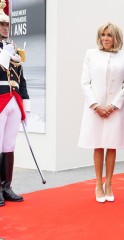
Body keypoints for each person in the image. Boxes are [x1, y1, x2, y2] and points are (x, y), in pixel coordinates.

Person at [78, 22, 124, 203]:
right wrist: (95, 105)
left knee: (112, 145)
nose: (106, 38)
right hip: (95, 109)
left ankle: (109, 183)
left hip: (114, 110)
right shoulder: (91, 54)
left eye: (109, 35)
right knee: (97, 145)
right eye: (103, 35)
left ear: (116, 37)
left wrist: (112, 106)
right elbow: (85, 82)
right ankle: (98, 184)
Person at [0, 0, 30, 206]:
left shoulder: (13, 48)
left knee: (9, 145)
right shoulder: (6, 50)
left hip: (14, 99)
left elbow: (21, 77)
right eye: (1, 24)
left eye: (6, 25)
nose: (4, 27)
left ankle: (6, 186)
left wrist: (25, 103)